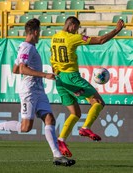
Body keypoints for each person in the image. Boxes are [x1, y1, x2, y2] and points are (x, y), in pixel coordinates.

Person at [0, 18, 75, 166]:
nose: (40, 35)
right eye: (39, 32)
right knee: (25, 128)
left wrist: (32, 71)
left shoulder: (26, 47)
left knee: (49, 118)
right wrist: (44, 75)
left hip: (39, 90)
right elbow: (22, 69)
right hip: (29, 92)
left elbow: (15, 69)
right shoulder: (27, 48)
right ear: (35, 32)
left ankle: (57, 155)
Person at [50, 16, 124, 157]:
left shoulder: (54, 38)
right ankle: (85, 128)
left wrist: (57, 70)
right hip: (72, 77)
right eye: (76, 28)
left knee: (75, 113)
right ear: (71, 25)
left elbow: (52, 60)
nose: (77, 31)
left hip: (59, 80)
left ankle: (61, 140)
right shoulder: (73, 37)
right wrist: (116, 30)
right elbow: (100, 40)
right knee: (98, 102)